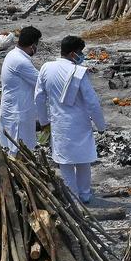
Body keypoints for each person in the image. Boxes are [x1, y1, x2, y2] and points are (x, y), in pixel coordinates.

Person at [34, 36, 106, 204]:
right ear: (73, 53)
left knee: (65, 162)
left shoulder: (46, 68)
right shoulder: (78, 72)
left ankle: (72, 196)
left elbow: (38, 97)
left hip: (59, 122)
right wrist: (100, 125)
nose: (82, 55)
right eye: (80, 52)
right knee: (83, 161)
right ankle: (85, 195)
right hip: (80, 123)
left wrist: (44, 121)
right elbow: (92, 102)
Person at [0, 27, 41, 156]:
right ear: (32, 45)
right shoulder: (20, 61)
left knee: (14, 148)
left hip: (15, 109)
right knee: (18, 150)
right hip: (18, 113)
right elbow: (41, 81)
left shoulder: (13, 54)